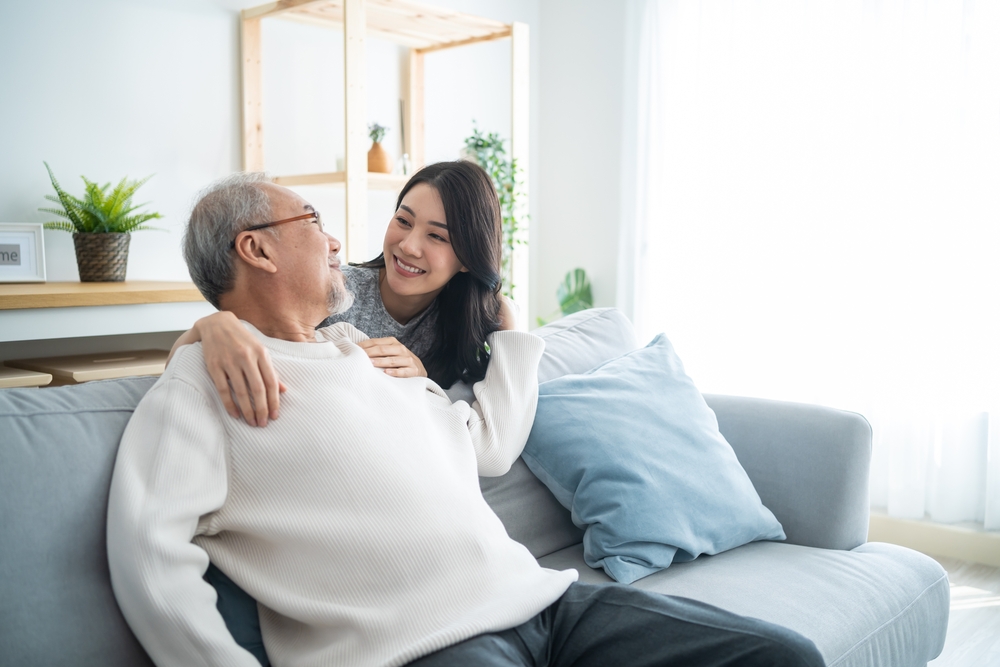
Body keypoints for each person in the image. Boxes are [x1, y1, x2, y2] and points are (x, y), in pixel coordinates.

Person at [106, 173, 826, 667]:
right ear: (256, 248)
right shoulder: (202, 386)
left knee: (786, 656)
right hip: (426, 646)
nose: (335, 242)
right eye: (314, 221)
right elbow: (149, 555)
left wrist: (504, 336)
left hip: (548, 604)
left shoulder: (364, 355)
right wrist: (208, 330)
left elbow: (476, 446)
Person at [168, 160, 515, 428]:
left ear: (469, 258)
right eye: (403, 221)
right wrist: (211, 326)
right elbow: (199, 365)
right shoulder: (331, 291)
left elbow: (483, 431)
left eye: (437, 237)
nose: (408, 246)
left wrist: (424, 385)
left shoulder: (474, 322)